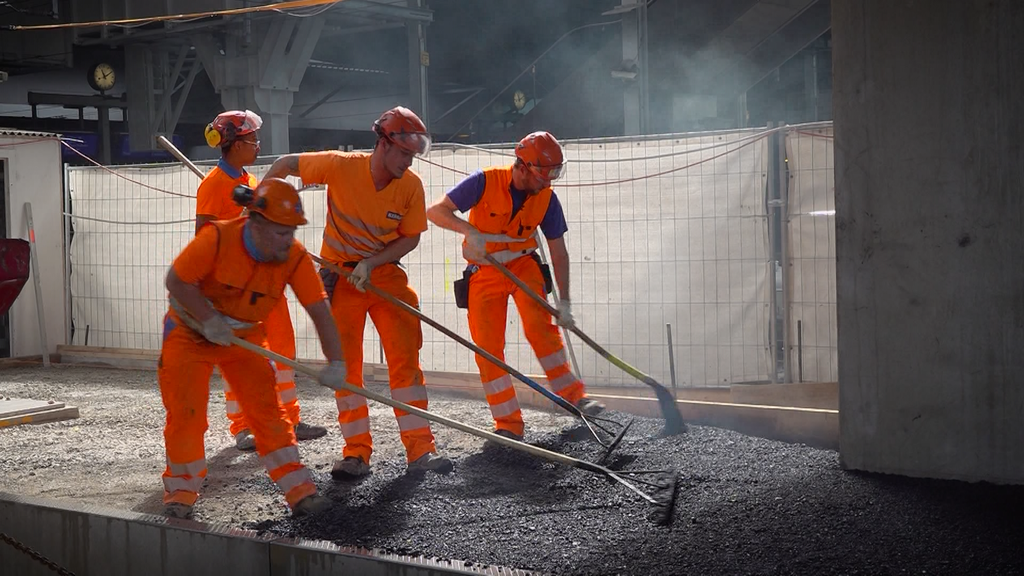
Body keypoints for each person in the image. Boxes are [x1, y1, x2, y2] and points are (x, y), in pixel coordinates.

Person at [262, 106, 453, 479]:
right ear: (383, 143)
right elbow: (285, 163)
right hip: (340, 277)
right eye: (403, 153)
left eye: (413, 156)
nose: (407, 163)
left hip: (384, 275)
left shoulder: (410, 186)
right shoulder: (340, 166)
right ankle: (356, 453)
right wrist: (263, 207)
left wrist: (374, 262)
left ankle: (420, 450)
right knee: (345, 368)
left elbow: (411, 236)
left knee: (405, 363)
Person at [159, 177, 344, 519]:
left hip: (243, 337)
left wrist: (336, 362)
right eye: (281, 232)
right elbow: (176, 280)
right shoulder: (217, 238)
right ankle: (181, 495)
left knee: (269, 414)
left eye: (292, 231)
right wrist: (208, 319)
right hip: (189, 332)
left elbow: (319, 309)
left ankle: (300, 491)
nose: (289, 240)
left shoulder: (294, 257)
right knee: (186, 415)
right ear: (255, 222)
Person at [425, 130, 604, 442]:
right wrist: (469, 230)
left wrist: (565, 303)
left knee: (541, 328)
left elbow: (558, 251)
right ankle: (508, 425)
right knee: (488, 348)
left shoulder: (547, 197)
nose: (548, 182)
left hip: (524, 264)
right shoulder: (483, 182)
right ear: (522, 166)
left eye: (553, 174)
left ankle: (576, 399)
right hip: (485, 269)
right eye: (543, 174)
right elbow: (435, 211)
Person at [197, 109, 327, 451]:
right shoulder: (213, 186)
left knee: (283, 352)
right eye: (252, 139)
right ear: (235, 144)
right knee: (241, 356)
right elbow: (204, 238)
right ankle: (242, 428)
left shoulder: (250, 184)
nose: (257, 144)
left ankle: (289, 420)